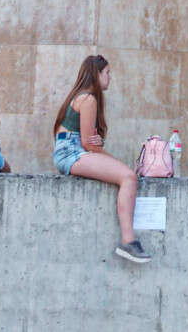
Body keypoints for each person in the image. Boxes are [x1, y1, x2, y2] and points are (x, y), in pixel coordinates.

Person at [51, 54, 149, 264]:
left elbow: (89, 142)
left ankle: (128, 241)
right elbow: (88, 144)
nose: (110, 77)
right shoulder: (88, 99)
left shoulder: (83, 97)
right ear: (97, 74)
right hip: (71, 151)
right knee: (129, 177)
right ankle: (128, 241)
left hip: (71, 148)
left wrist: (97, 147)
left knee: (127, 176)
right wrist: (110, 157)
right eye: (107, 73)